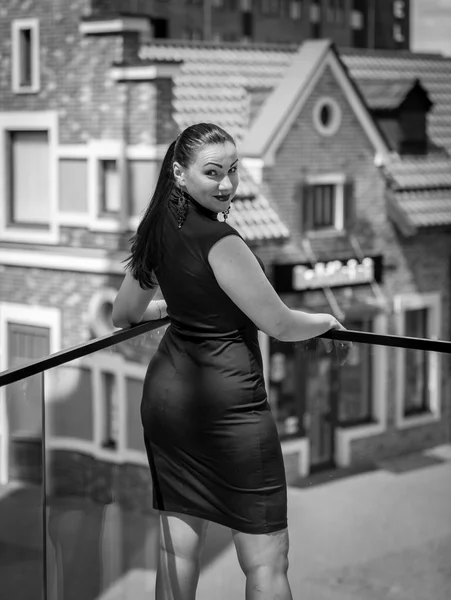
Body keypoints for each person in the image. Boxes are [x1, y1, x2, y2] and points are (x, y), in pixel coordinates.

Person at [112, 123, 351, 600]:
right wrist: (324, 319)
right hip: (229, 411)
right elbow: (280, 324)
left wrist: (171, 307)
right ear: (179, 173)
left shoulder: (158, 228)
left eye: (233, 171)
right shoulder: (224, 243)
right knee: (267, 559)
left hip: (168, 402)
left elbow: (123, 315)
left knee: (176, 552)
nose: (226, 184)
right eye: (213, 172)